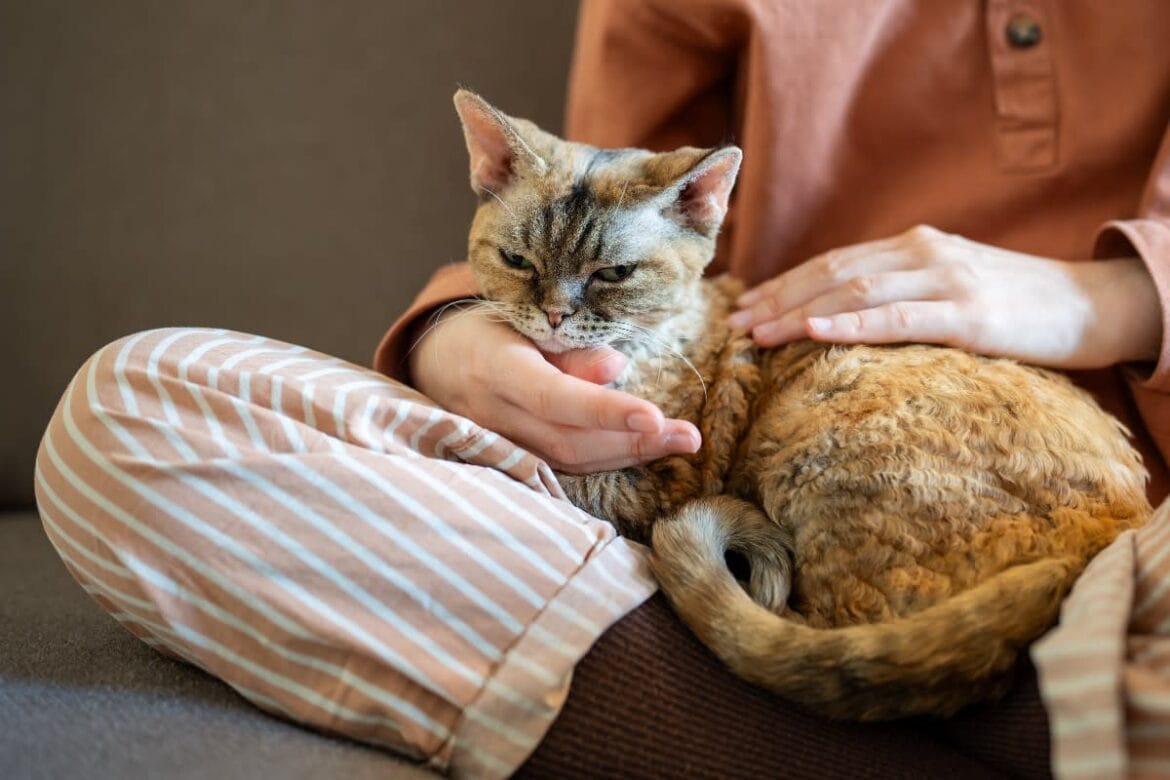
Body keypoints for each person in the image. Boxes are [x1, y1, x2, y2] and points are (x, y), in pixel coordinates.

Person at [34, 1, 1170, 778]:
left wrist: (1107, 298)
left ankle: (871, 699)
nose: (558, 300)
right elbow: (589, 187)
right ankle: (958, 707)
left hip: (1138, 537)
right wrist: (457, 339)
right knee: (127, 415)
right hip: (719, 483)